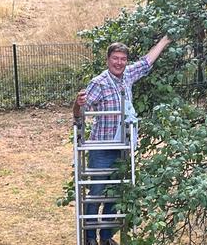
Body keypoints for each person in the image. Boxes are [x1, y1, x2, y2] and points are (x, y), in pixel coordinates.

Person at [73, 35, 172, 245]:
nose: (119, 62)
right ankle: (90, 238)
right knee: (97, 192)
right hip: (102, 149)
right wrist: (77, 103)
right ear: (108, 60)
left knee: (116, 194)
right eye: (115, 58)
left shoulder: (127, 76)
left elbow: (146, 61)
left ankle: (106, 238)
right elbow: (79, 112)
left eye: (123, 59)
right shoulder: (98, 83)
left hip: (123, 148)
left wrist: (165, 40)